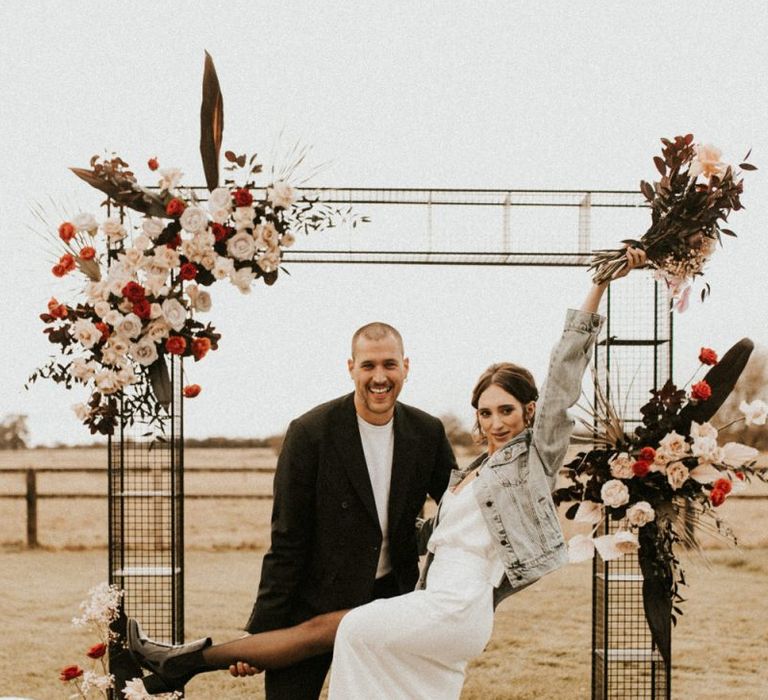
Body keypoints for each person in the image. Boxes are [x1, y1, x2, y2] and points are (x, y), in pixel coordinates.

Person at [127, 247, 646, 698]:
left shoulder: (528, 461)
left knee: (335, 629)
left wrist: (596, 288)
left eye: (507, 411)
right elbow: (298, 538)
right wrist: (262, 635)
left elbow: (562, 381)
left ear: (529, 413)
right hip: (416, 597)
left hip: (451, 605)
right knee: (332, 636)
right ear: (351, 367)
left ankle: (184, 662)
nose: (496, 423)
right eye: (486, 412)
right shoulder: (469, 471)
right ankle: (179, 666)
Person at [242, 321, 457, 698]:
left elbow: (459, 509)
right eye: (368, 365)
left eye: (389, 365)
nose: (379, 377)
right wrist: (262, 632)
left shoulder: (428, 432)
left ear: (406, 366)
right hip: (310, 605)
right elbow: (287, 537)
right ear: (351, 368)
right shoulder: (310, 433)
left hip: (391, 604)